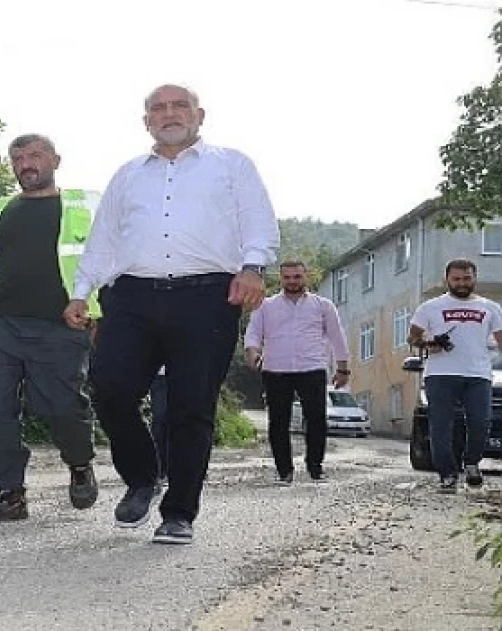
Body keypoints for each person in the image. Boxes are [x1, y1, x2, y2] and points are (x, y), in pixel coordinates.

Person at [64, 84, 280, 545]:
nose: (169, 114)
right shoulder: (127, 176)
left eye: (179, 105)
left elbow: (259, 221)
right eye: (157, 108)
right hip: (131, 297)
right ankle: (143, 476)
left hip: (207, 298)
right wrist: (81, 292)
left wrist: (253, 267)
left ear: (200, 115)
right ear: (146, 121)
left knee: (190, 405)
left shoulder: (232, 165)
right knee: (110, 387)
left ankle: (179, 511)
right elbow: (103, 239)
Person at [0, 133, 101, 521]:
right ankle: (10, 493)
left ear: (55, 161)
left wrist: (109, 315)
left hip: (61, 325)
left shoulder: (85, 208)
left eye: (35, 156)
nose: (27, 164)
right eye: (18, 158)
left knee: (60, 405)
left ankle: (79, 462)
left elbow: (109, 262)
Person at [243, 260, 350, 484]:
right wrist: (252, 352)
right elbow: (253, 333)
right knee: (278, 421)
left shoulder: (323, 306)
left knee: (316, 420)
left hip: (311, 368)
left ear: (305, 277)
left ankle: (315, 467)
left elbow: (337, 337)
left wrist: (342, 369)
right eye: (287, 277)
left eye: (297, 277)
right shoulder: (265, 306)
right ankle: (284, 471)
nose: (292, 282)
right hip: (276, 369)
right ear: (281, 279)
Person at [408, 258, 502, 493]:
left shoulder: (490, 308)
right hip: (440, 374)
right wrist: (428, 343)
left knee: (481, 422)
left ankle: (471, 463)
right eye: (456, 279)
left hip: (478, 374)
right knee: (440, 427)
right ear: (447, 279)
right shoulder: (430, 307)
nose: (462, 283)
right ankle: (448, 475)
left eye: (467, 278)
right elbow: (413, 338)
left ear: (474, 278)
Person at [150, 366, 168, 484]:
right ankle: (159, 470)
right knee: (160, 420)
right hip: (159, 375)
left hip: (185, 371)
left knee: (185, 420)